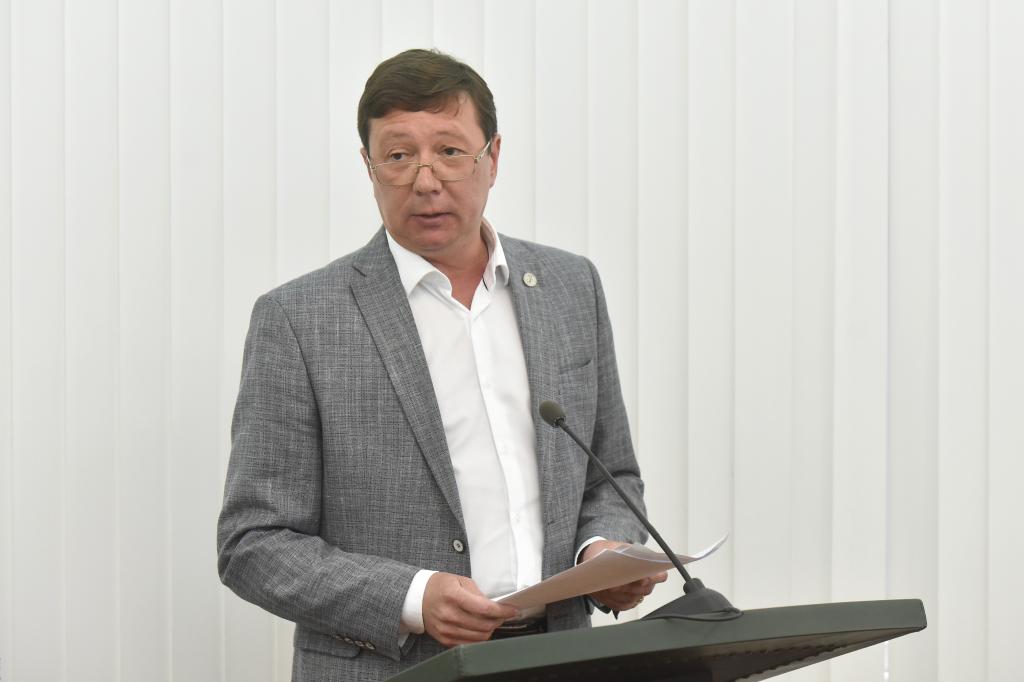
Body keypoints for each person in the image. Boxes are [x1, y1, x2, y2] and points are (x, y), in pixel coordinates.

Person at [217, 48, 666, 681]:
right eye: (399, 156)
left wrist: (603, 553)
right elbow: (253, 544)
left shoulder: (570, 287)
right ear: (369, 167)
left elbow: (610, 475)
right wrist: (410, 598)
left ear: (493, 158)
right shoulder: (300, 319)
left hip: (560, 658)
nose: (425, 180)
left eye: (451, 152)